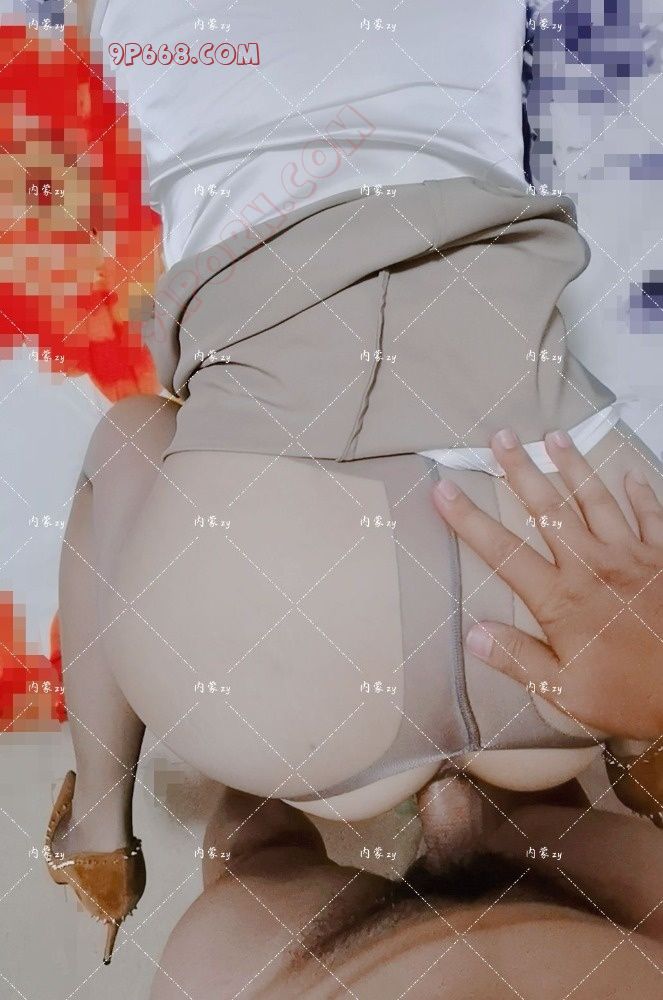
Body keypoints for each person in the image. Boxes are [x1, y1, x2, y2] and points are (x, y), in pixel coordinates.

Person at [45, 0, 663, 969]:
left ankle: (97, 829)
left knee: (133, 442)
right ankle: (621, 754)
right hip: (572, 607)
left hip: (293, 636)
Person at [145, 434, 663, 999]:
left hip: (572, 843)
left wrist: (648, 700)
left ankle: (111, 829)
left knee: (133, 436)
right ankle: (107, 838)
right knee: (255, 844)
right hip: (326, 959)